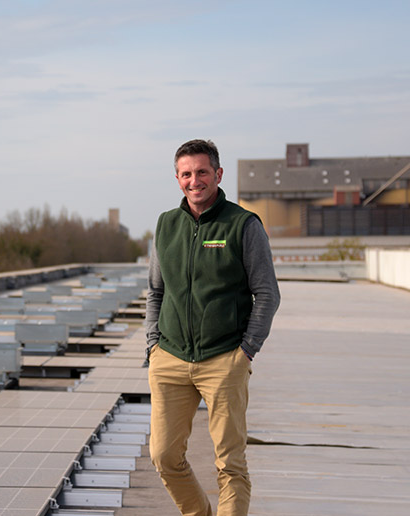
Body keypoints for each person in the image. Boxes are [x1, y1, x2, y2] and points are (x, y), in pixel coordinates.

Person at [145, 139, 280, 516]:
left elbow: (267, 294)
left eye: (202, 172)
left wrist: (245, 351)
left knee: (230, 465)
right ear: (177, 179)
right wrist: (153, 345)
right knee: (164, 456)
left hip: (224, 359)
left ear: (218, 175)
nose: (194, 180)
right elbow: (155, 292)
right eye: (186, 174)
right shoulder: (165, 225)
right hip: (169, 359)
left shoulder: (243, 224)